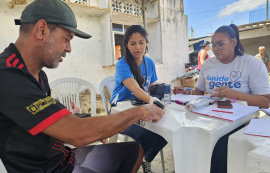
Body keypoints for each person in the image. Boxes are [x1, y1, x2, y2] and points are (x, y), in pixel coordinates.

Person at [0, 0, 165, 173]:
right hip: (46, 168)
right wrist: (142, 111)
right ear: (42, 30)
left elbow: (35, 120)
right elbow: (78, 134)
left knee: (134, 151)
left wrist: (70, 117)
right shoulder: (7, 75)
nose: (69, 49)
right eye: (66, 39)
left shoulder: (38, 74)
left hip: (61, 157)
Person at [173, 24, 270, 173]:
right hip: (208, 120)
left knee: (219, 151)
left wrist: (235, 95)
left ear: (233, 42)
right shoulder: (208, 65)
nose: (216, 48)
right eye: (213, 45)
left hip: (239, 124)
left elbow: (265, 102)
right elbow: (199, 91)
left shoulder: (251, 64)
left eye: (220, 44)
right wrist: (187, 92)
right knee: (185, 140)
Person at [110, 25, 167, 173]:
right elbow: (134, 88)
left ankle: (145, 159)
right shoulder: (122, 64)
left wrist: (162, 94)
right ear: (127, 45)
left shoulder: (149, 63)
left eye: (141, 42)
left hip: (141, 108)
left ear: (146, 43)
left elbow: (152, 86)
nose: (138, 47)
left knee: (166, 132)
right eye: (132, 43)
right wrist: (151, 100)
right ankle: (133, 164)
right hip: (120, 111)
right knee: (147, 136)